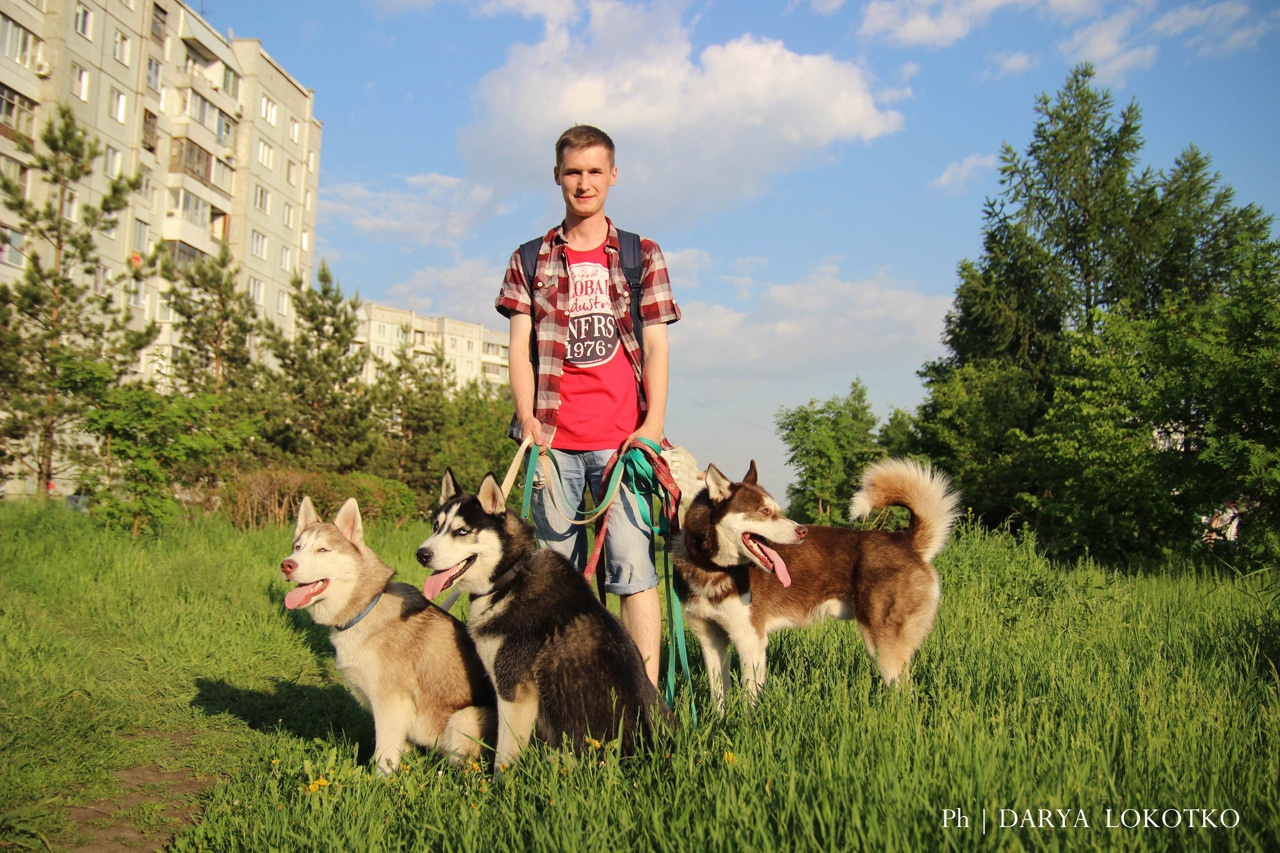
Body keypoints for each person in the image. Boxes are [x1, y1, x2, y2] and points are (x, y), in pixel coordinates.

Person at [495, 124, 680, 687]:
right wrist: (529, 420)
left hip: (624, 443)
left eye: (595, 171)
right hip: (554, 445)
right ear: (557, 176)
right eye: (573, 172)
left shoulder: (639, 254)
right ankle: (565, 696)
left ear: (613, 176)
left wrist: (651, 427)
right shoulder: (530, 258)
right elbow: (520, 349)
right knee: (555, 578)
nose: (583, 182)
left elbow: (655, 346)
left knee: (633, 571)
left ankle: (642, 698)